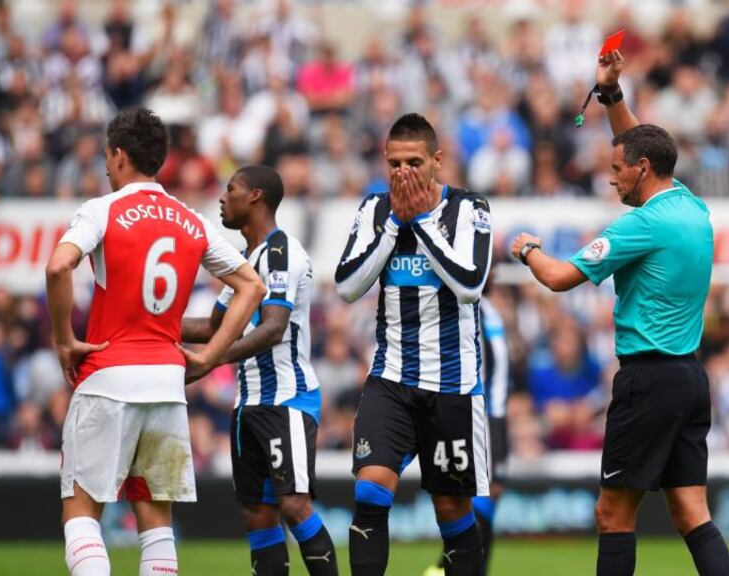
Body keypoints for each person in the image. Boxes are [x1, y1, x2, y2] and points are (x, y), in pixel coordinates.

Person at [510, 51, 729, 576]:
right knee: (690, 511)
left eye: (616, 171)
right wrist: (611, 94)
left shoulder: (639, 227)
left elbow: (560, 278)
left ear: (641, 170)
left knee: (612, 514)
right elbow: (643, 140)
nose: (612, 181)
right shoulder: (689, 204)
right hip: (688, 378)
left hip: (647, 380)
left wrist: (526, 249)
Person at [46, 107, 265, 576]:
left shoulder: (102, 209)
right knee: (157, 525)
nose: (106, 166)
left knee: (81, 515)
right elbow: (253, 286)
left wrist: (65, 340)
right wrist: (210, 354)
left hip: (108, 376)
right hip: (167, 385)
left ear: (120, 156)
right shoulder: (191, 219)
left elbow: (57, 266)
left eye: (108, 156)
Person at [336, 113, 493, 576]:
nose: (403, 173)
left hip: (453, 385)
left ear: (438, 161)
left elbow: (470, 284)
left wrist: (421, 223)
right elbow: (347, 286)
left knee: (451, 509)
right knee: (369, 490)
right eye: (394, 164)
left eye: (414, 162)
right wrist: (393, 227)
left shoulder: (470, 209)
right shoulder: (374, 210)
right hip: (391, 379)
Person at [181, 165, 337, 576]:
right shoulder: (246, 263)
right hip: (247, 402)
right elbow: (213, 328)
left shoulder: (281, 253)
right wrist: (150, 322)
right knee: (257, 513)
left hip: (286, 398)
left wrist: (209, 359)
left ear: (255, 197)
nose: (221, 197)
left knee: (294, 505)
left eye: (230, 189)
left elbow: (273, 327)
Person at [423, 272, 511, 576]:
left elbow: (498, 369)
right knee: (478, 496)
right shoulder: (473, 310)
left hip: (490, 414)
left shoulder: (485, 311)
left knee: (484, 496)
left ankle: (446, 566)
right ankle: (447, 566)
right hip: (480, 413)